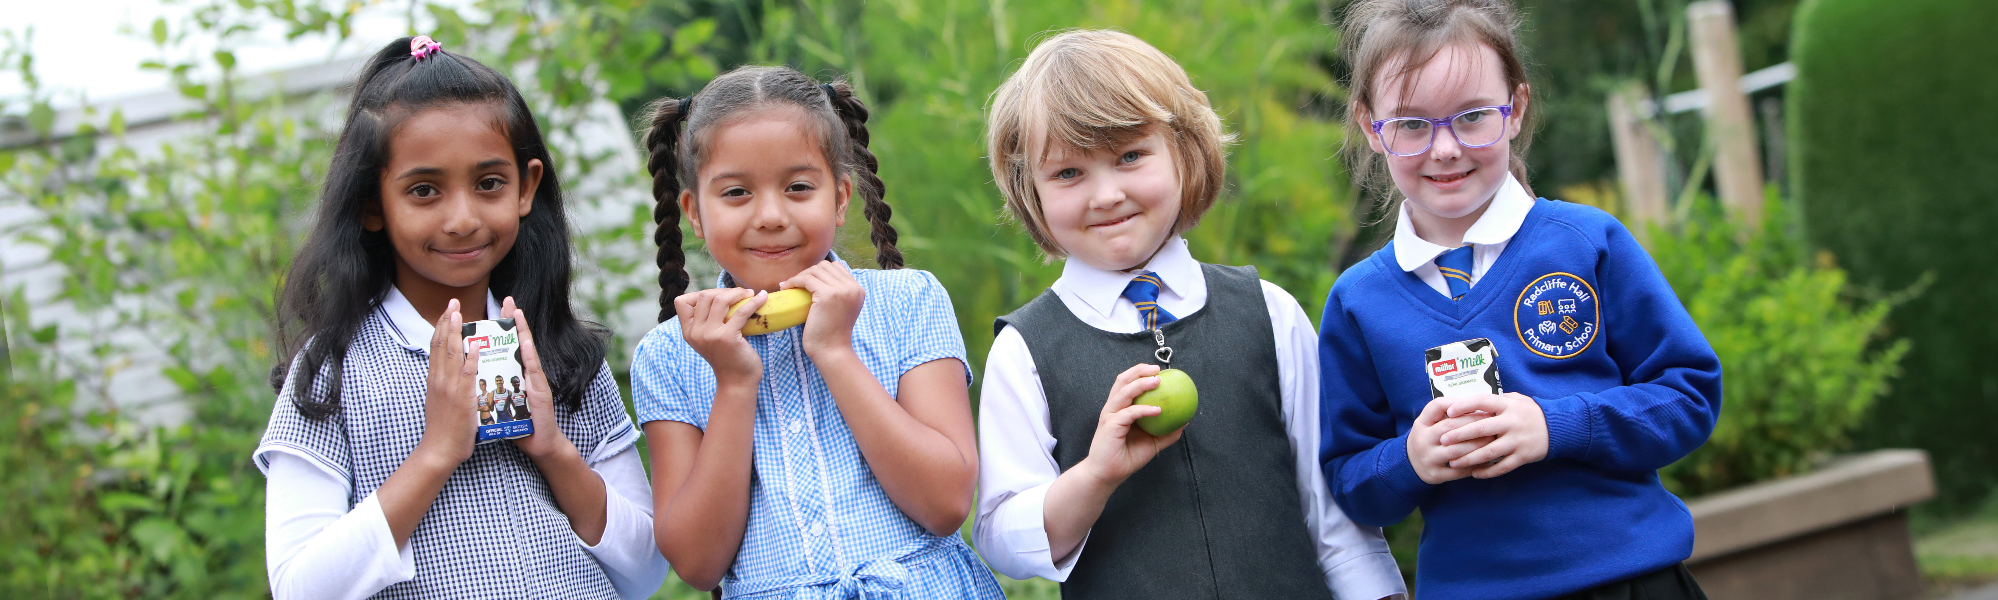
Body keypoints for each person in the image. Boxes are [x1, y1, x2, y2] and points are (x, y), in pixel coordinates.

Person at [973, 29, 1406, 600]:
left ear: (1184, 151)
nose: (1105, 195)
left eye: (1129, 156)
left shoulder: (1269, 312)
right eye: (1068, 173)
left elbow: (1332, 516)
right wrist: (1095, 475)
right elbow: (1001, 535)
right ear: (1030, 190)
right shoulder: (1025, 350)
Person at [1318, 2, 1723, 599]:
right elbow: (1349, 479)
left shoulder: (1588, 242)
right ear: (1370, 127)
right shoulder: (1358, 302)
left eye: (1473, 116)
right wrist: (1412, 459)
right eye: (1411, 124)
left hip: (1634, 581)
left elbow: (1689, 395)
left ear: (1517, 108)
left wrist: (1557, 426)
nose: (1447, 148)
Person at [253, 35, 670, 600]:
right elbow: (301, 589)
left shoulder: (563, 354)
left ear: (527, 187)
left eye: (489, 183)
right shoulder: (334, 370)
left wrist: (553, 449)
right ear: (372, 204)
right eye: (424, 190)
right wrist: (436, 453)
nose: (462, 218)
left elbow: (646, 573)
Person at [630, 65, 1003, 600]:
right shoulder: (669, 355)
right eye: (736, 193)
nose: (771, 215)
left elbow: (945, 505)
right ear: (693, 211)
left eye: (799, 187)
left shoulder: (908, 301)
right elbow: (696, 562)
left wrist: (834, 350)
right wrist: (733, 382)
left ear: (841, 196)